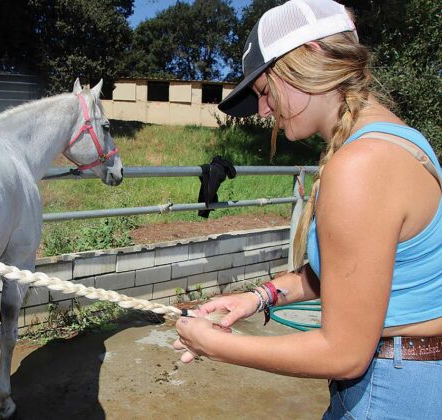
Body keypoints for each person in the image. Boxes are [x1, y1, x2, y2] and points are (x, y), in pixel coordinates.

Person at [173, 0, 442, 418]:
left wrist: (218, 346)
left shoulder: (359, 167)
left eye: (264, 92)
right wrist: (259, 297)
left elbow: (345, 353)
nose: (263, 111)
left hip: (387, 392)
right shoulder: (401, 140)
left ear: (310, 56)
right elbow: (347, 276)